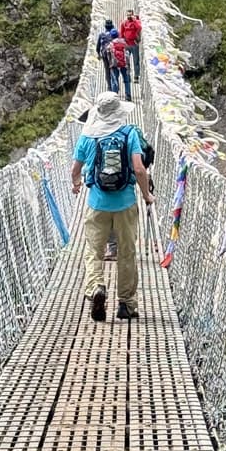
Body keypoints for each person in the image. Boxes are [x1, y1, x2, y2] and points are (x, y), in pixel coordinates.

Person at [72, 91, 154, 321]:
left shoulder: (87, 135)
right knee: (127, 252)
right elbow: (139, 169)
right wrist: (146, 195)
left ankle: (96, 287)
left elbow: (75, 170)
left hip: (97, 204)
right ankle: (126, 304)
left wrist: (76, 184)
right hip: (125, 203)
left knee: (93, 251)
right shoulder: (129, 133)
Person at [119, 8, 142, 84]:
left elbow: (139, 28)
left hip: (134, 44)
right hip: (127, 45)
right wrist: (122, 43)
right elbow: (121, 33)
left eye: (130, 15)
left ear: (132, 15)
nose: (129, 16)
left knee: (136, 61)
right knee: (126, 61)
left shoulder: (136, 22)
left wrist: (134, 21)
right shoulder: (124, 23)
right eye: (128, 15)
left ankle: (136, 77)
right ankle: (128, 75)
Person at [107, 32, 131, 98]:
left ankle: (114, 95)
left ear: (111, 36)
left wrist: (110, 63)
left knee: (114, 80)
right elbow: (128, 52)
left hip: (114, 64)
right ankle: (128, 95)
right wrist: (128, 64)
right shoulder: (124, 43)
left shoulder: (111, 44)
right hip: (124, 64)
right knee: (126, 80)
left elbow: (108, 53)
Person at [96, 19, 118, 90]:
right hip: (113, 54)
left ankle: (109, 86)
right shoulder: (115, 34)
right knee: (114, 69)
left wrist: (98, 54)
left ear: (105, 27)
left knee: (107, 70)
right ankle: (115, 85)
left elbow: (98, 47)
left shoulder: (101, 35)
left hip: (104, 54)